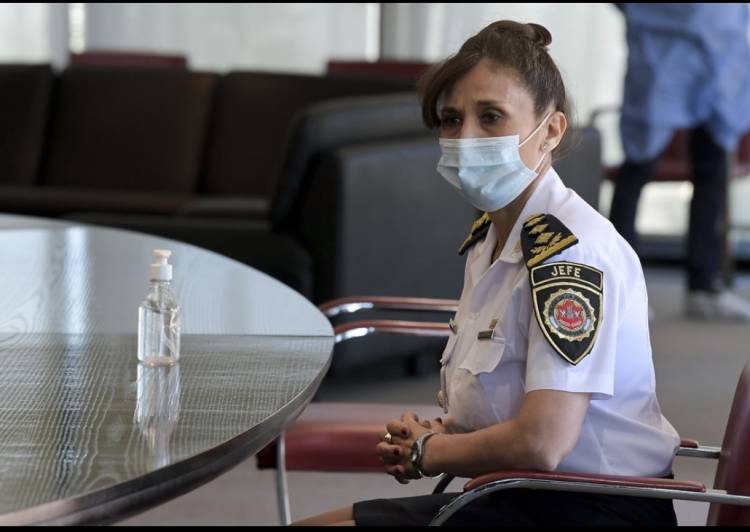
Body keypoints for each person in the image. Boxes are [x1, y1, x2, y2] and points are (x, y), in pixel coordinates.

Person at [293, 20, 679, 526]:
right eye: (451, 120)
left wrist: (427, 453)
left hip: (588, 507)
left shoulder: (568, 255)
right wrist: (444, 433)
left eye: (491, 117)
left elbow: (544, 442)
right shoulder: (496, 236)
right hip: (518, 490)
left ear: (552, 130)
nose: (464, 137)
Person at [609, 3, 750, 321]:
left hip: (719, 51)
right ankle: (621, 287)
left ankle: (704, 287)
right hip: (660, 49)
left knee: (713, 169)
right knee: (639, 168)